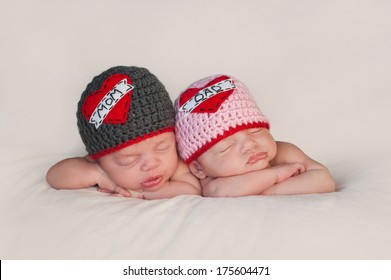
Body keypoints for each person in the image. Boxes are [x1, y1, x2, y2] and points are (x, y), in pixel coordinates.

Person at [46, 66, 201, 200]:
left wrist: (144, 194)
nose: (151, 164)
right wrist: (99, 175)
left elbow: (192, 190)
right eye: (128, 160)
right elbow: (54, 176)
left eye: (163, 147)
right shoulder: (101, 166)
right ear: (98, 159)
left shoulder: (175, 167)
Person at [175, 74, 336, 197]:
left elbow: (324, 180)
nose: (250, 144)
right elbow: (221, 193)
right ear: (199, 168)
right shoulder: (212, 182)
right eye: (226, 147)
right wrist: (276, 175)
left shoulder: (284, 152)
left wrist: (267, 190)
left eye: (256, 131)